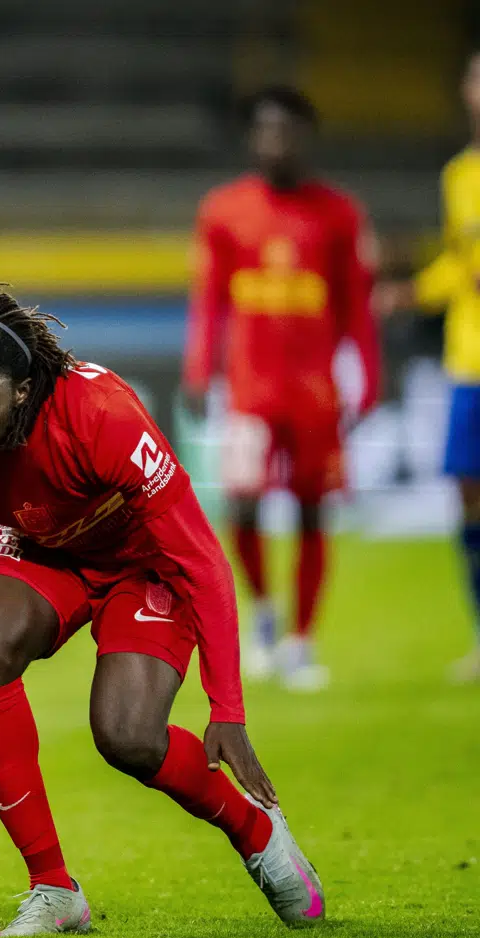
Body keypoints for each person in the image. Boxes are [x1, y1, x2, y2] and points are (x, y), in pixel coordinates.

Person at [0, 285, 325, 937]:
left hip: (140, 560)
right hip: (41, 547)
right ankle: (53, 888)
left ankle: (254, 828)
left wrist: (228, 710)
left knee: (127, 736)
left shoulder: (100, 414)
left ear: (22, 391)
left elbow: (202, 560)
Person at [184, 86, 382, 690]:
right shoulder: (224, 210)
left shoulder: (339, 213)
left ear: (305, 137)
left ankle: (301, 640)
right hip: (249, 389)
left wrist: (368, 377)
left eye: (288, 131)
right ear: (253, 138)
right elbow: (210, 301)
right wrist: (199, 370)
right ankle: (265, 612)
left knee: (312, 511)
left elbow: (356, 306)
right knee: (243, 502)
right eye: (267, 130)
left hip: (315, 391)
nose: (277, 142)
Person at [376, 51, 480, 683]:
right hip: (468, 360)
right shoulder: (460, 176)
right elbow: (460, 264)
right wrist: (412, 291)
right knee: (467, 495)